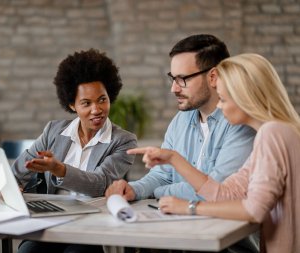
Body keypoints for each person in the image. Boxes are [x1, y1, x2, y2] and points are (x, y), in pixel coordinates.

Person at [128, 53, 300, 252]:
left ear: (245, 98)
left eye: (224, 99)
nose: (219, 105)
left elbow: (255, 210)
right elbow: (226, 193)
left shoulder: (272, 134)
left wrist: (189, 208)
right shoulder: (281, 131)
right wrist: (173, 158)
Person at [105, 34, 256, 202]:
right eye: (173, 78)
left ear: (213, 77)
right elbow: (162, 175)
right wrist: (134, 189)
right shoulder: (180, 120)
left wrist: (158, 192)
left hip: (223, 225)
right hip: (182, 221)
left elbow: (217, 191)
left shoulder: (240, 122)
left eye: (183, 79)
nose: (174, 88)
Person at [15, 48, 137, 253]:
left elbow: (100, 184)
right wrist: (6, 188)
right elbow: (19, 170)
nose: (96, 109)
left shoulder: (123, 141)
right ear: (72, 105)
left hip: (92, 225)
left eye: (102, 99)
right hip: (52, 219)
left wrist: (60, 170)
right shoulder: (53, 131)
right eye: (86, 103)